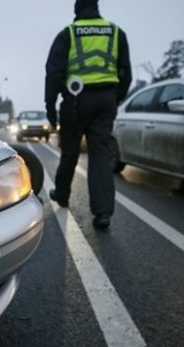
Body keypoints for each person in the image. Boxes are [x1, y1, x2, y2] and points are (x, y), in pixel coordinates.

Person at [45, 0, 131, 229]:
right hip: (106, 100)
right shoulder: (116, 33)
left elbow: (53, 73)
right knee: (101, 153)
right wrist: (115, 97)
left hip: (75, 101)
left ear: (77, 9)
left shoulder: (68, 34)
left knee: (70, 151)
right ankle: (103, 213)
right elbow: (126, 73)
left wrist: (50, 109)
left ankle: (62, 195)